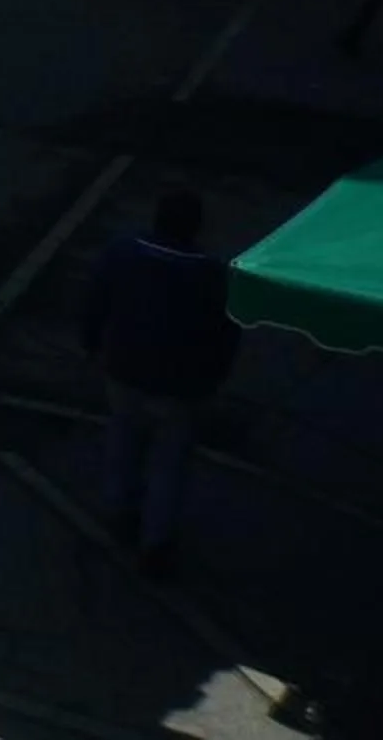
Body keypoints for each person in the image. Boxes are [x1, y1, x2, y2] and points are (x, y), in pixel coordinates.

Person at [79, 190, 239, 576]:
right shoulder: (212, 273)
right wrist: (214, 377)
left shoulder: (123, 252)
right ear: (195, 227)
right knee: (169, 464)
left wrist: (91, 342)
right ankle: (156, 542)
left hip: (126, 369)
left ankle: (120, 511)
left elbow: (96, 299)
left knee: (123, 441)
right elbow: (225, 334)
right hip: (181, 387)